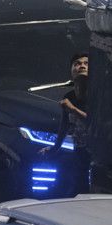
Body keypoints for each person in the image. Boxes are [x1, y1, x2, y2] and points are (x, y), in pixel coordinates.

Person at [41, 52, 90, 193]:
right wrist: (54, 148)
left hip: (98, 153)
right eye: (77, 64)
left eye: (86, 64)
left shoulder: (98, 94)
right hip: (80, 150)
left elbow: (96, 123)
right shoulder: (69, 97)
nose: (81, 66)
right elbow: (64, 126)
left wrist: (72, 109)